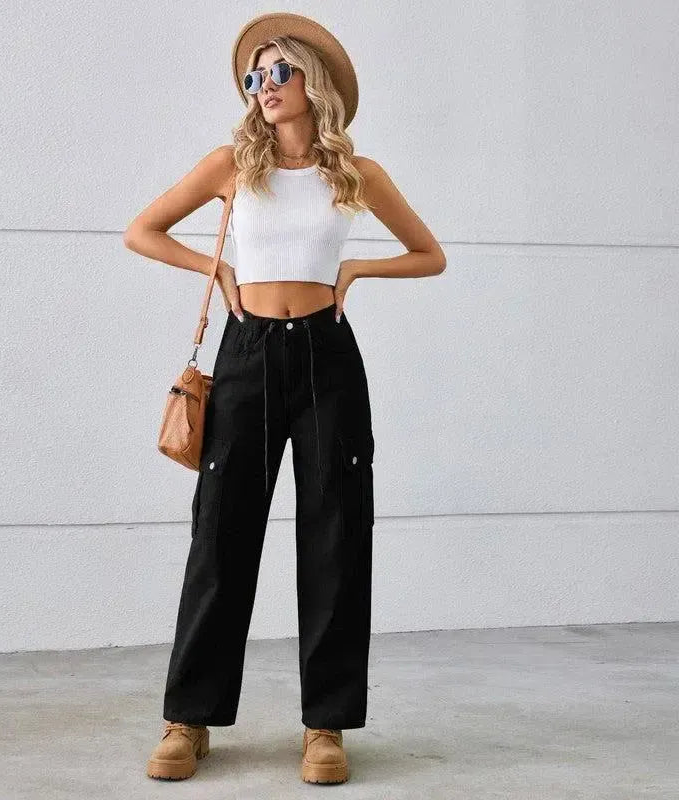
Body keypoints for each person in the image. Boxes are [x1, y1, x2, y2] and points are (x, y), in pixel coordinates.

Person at [124, 12, 446, 785]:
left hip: (328, 357)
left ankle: (325, 726)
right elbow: (143, 231)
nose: (263, 87)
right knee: (220, 534)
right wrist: (219, 271)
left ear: (313, 82)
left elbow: (430, 254)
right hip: (247, 355)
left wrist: (357, 270)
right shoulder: (232, 165)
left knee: (336, 532)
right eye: (252, 77)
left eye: (277, 72)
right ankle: (188, 718)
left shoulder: (355, 173)